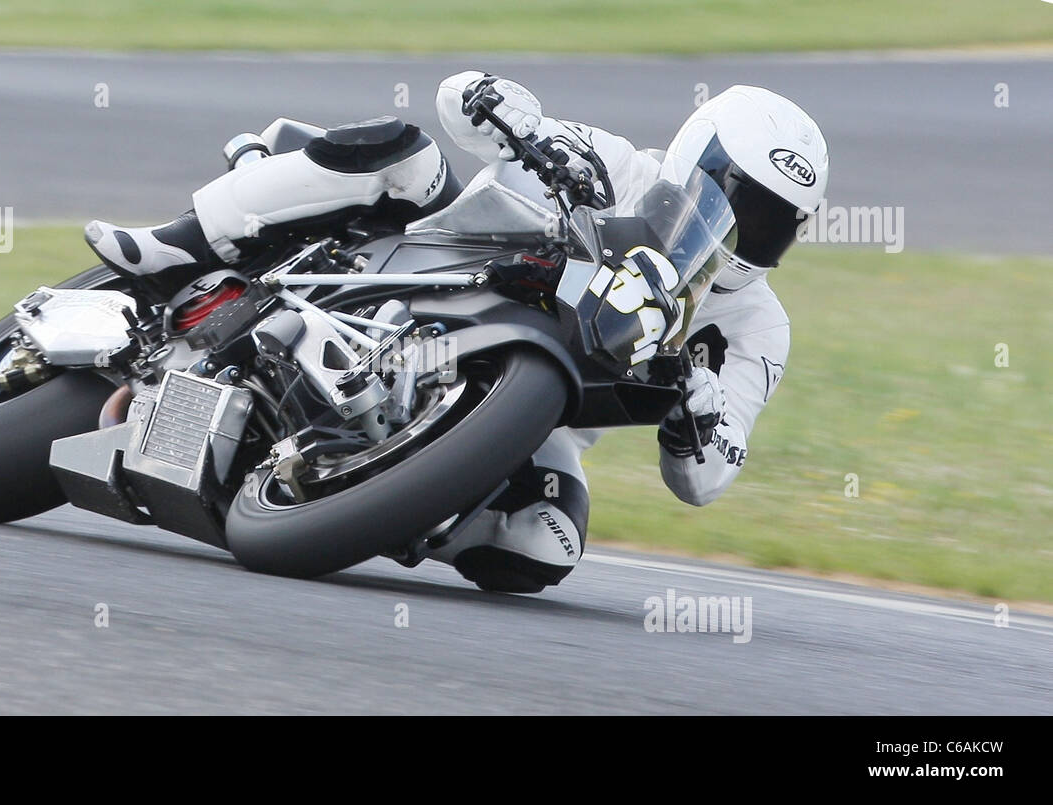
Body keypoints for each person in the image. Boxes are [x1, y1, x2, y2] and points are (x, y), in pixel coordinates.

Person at [84, 72, 829, 594]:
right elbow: (462, 107)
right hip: (431, 265)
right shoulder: (614, 163)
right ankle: (179, 244)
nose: (744, 229)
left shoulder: (757, 326)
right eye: (737, 198)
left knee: (542, 546)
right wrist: (495, 102)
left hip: (537, 404)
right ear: (695, 154)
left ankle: (366, 499)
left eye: (770, 221)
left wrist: (696, 420)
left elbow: (708, 475)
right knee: (403, 150)